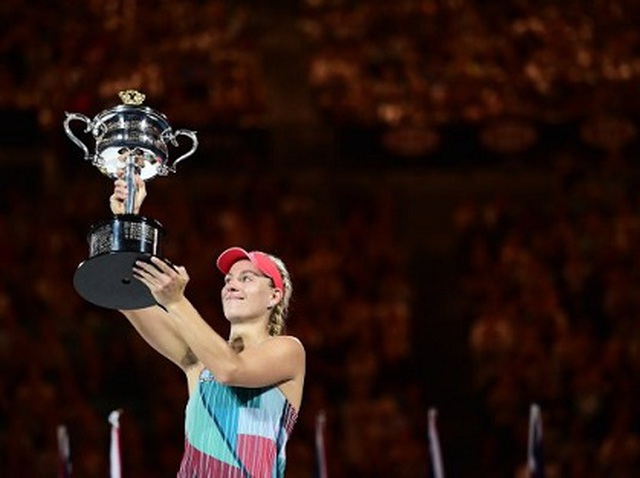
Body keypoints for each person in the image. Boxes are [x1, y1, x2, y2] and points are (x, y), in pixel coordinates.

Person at [109, 172, 306, 477]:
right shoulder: (198, 362)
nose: (232, 285)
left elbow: (230, 371)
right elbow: (124, 295)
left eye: (247, 278)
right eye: (228, 280)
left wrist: (176, 302)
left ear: (274, 296)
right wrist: (127, 220)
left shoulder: (288, 351)